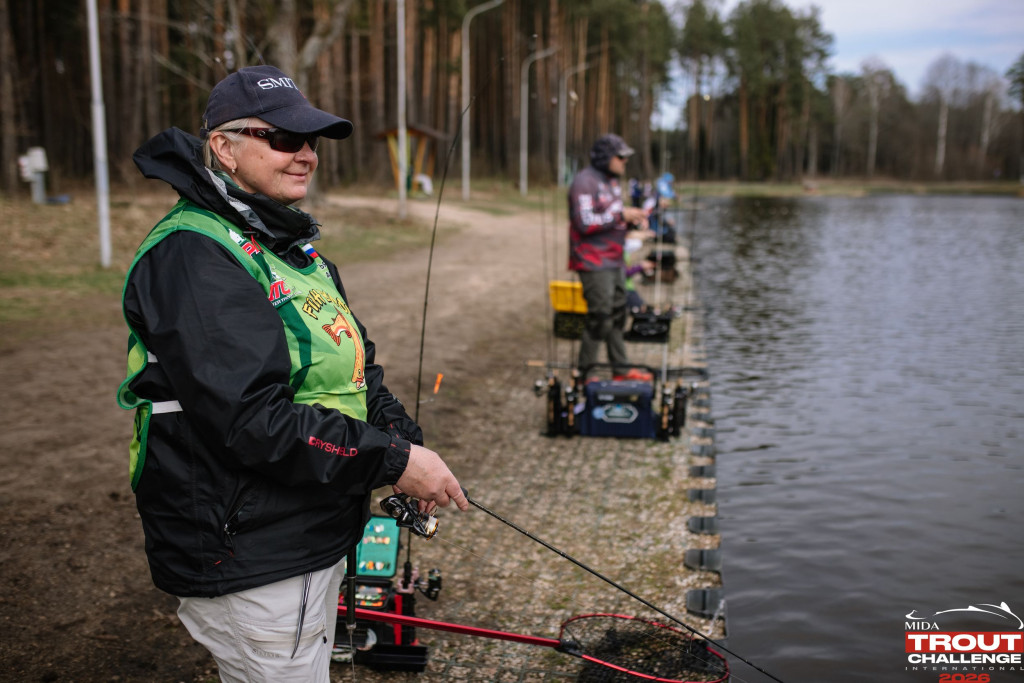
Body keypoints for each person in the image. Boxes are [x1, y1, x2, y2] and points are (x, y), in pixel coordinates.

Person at [115, 65, 468, 682]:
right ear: (224, 148)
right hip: (248, 548)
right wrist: (391, 461)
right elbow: (252, 419)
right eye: (282, 139)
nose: (306, 154)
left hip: (307, 530)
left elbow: (357, 371)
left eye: (311, 140)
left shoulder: (293, 250)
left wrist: (404, 443)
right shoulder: (193, 253)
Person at [567, 133, 649, 375]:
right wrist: (620, 216)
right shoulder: (584, 182)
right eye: (620, 157)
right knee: (600, 318)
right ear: (606, 157)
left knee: (618, 315)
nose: (625, 161)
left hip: (615, 260)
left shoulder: (612, 182)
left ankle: (621, 370)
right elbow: (584, 222)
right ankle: (585, 374)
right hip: (592, 261)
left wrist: (632, 220)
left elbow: (611, 216)